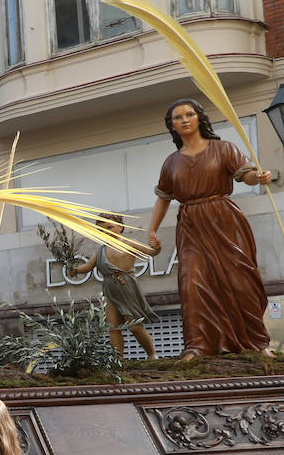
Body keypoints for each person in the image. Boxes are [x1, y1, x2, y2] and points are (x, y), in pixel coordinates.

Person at [146, 98, 275, 361]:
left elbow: (245, 174)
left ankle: (258, 343)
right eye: (177, 117)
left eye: (189, 114)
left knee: (241, 281)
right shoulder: (171, 162)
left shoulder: (223, 148)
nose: (184, 120)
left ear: (199, 118)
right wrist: (152, 231)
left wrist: (258, 177)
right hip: (192, 226)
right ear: (172, 126)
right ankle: (197, 345)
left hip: (225, 220)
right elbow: (163, 198)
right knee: (192, 283)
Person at [66, 212, 159, 360]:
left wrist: (156, 246)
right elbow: (89, 266)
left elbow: (151, 252)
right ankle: (118, 359)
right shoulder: (101, 250)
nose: (106, 232)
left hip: (126, 286)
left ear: (120, 227)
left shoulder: (129, 243)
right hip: (110, 290)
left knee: (134, 325)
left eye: (110, 227)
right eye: (101, 230)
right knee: (113, 326)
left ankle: (152, 354)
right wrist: (76, 270)